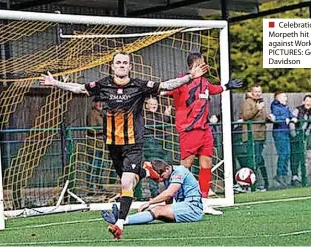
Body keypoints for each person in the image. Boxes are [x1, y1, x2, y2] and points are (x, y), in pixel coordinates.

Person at [41, 51, 208, 239]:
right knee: (129, 179)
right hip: (113, 144)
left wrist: (189, 77)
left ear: (130, 66)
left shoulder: (139, 86)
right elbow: (79, 88)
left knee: (126, 182)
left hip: (133, 143)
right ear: (112, 66)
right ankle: (147, 173)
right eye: (118, 62)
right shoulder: (103, 85)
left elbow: (165, 85)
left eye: (125, 62)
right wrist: (56, 83)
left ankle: (120, 222)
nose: (121, 65)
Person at [164, 52, 243, 215]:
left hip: (205, 130)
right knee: (185, 168)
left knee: (206, 165)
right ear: (194, 65)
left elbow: (214, 89)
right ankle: (175, 201)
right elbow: (164, 90)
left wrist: (227, 86)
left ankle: (204, 203)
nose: (205, 65)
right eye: (202, 63)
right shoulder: (181, 82)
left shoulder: (205, 83)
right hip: (189, 130)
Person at [101, 159, 202, 235]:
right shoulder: (169, 174)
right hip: (184, 207)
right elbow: (169, 200)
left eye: (162, 176)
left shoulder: (180, 171)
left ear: (167, 168)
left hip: (193, 207)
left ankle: (122, 220)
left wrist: (149, 203)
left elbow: (169, 193)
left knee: (156, 210)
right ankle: (122, 219)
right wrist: (158, 209)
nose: (161, 180)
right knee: (156, 211)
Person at [134, 97, 172, 200]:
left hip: (160, 147)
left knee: (164, 169)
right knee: (152, 169)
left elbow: (167, 123)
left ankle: (167, 192)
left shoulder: (160, 116)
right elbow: (154, 125)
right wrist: (166, 117)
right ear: (146, 105)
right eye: (151, 104)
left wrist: (167, 116)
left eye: (155, 104)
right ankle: (153, 194)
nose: (153, 106)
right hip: (149, 147)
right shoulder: (145, 116)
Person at [240, 85, 269, 191]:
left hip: (260, 136)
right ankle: (251, 185)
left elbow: (262, 117)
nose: (258, 93)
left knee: (259, 160)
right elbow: (246, 116)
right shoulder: (248, 102)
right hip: (251, 136)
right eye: (256, 91)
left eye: (259, 91)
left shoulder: (260, 102)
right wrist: (257, 108)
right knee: (254, 161)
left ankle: (264, 183)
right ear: (251, 92)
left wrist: (269, 117)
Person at [270, 91, 297, 187]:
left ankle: (284, 176)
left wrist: (293, 118)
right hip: (279, 133)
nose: (286, 98)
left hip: (286, 132)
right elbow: (275, 117)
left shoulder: (286, 107)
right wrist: (285, 118)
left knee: (287, 154)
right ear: (278, 98)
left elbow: (290, 115)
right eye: (284, 96)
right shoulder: (275, 106)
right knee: (283, 154)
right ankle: (279, 174)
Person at [290, 95, 311, 186]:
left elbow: (310, 125)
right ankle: (294, 177)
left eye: (310, 101)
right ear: (303, 102)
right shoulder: (297, 110)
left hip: (303, 137)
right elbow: (292, 123)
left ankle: (301, 178)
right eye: (307, 100)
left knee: (301, 157)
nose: (309, 102)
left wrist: (306, 135)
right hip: (295, 136)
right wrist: (294, 135)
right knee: (294, 157)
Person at [86, 97, 106, 190]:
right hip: (93, 143)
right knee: (93, 165)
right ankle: (90, 187)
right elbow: (91, 128)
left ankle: (99, 186)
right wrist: (105, 130)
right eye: (98, 102)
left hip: (102, 143)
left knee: (100, 166)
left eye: (101, 102)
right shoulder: (92, 114)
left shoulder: (103, 114)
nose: (100, 104)